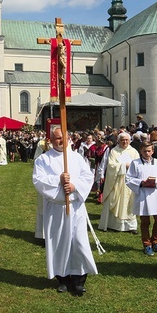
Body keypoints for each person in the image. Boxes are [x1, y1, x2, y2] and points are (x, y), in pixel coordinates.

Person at [33, 127, 98, 296]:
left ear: (68, 138)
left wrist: (74, 186)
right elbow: (39, 181)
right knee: (59, 243)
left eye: (63, 138)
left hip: (75, 208)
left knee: (79, 242)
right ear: (51, 140)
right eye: (57, 139)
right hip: (56, 208)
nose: (60, 141)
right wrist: (59, 180)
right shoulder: (43, 160)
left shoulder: (76, 158)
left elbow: (87, 176)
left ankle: (78, 280)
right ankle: (62, 278)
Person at [126, 141, 157, 256]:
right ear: (140, 151)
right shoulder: (135, 163)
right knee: (145, 221)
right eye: (145, 151)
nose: (147, 153)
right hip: (142, 194)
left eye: (149, 151)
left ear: (153, 151)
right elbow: (128, 179)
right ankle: (147, 244)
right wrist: (141, 183)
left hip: (155, 194)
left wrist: (156, 182)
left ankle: (155, 241)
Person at [98, 132, 139, 233]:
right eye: (122, 140)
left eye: (126, 140)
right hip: (116, 181)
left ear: (130, 141)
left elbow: (138, 165)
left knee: (129, 202)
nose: (125, 142)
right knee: (115, 200)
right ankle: (114, 225)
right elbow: (111, 165)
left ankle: (130, 226)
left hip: (129, 181)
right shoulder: (114, 151)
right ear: (118, 141)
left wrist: (132, 166)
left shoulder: (134, 151)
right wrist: (124, 165)